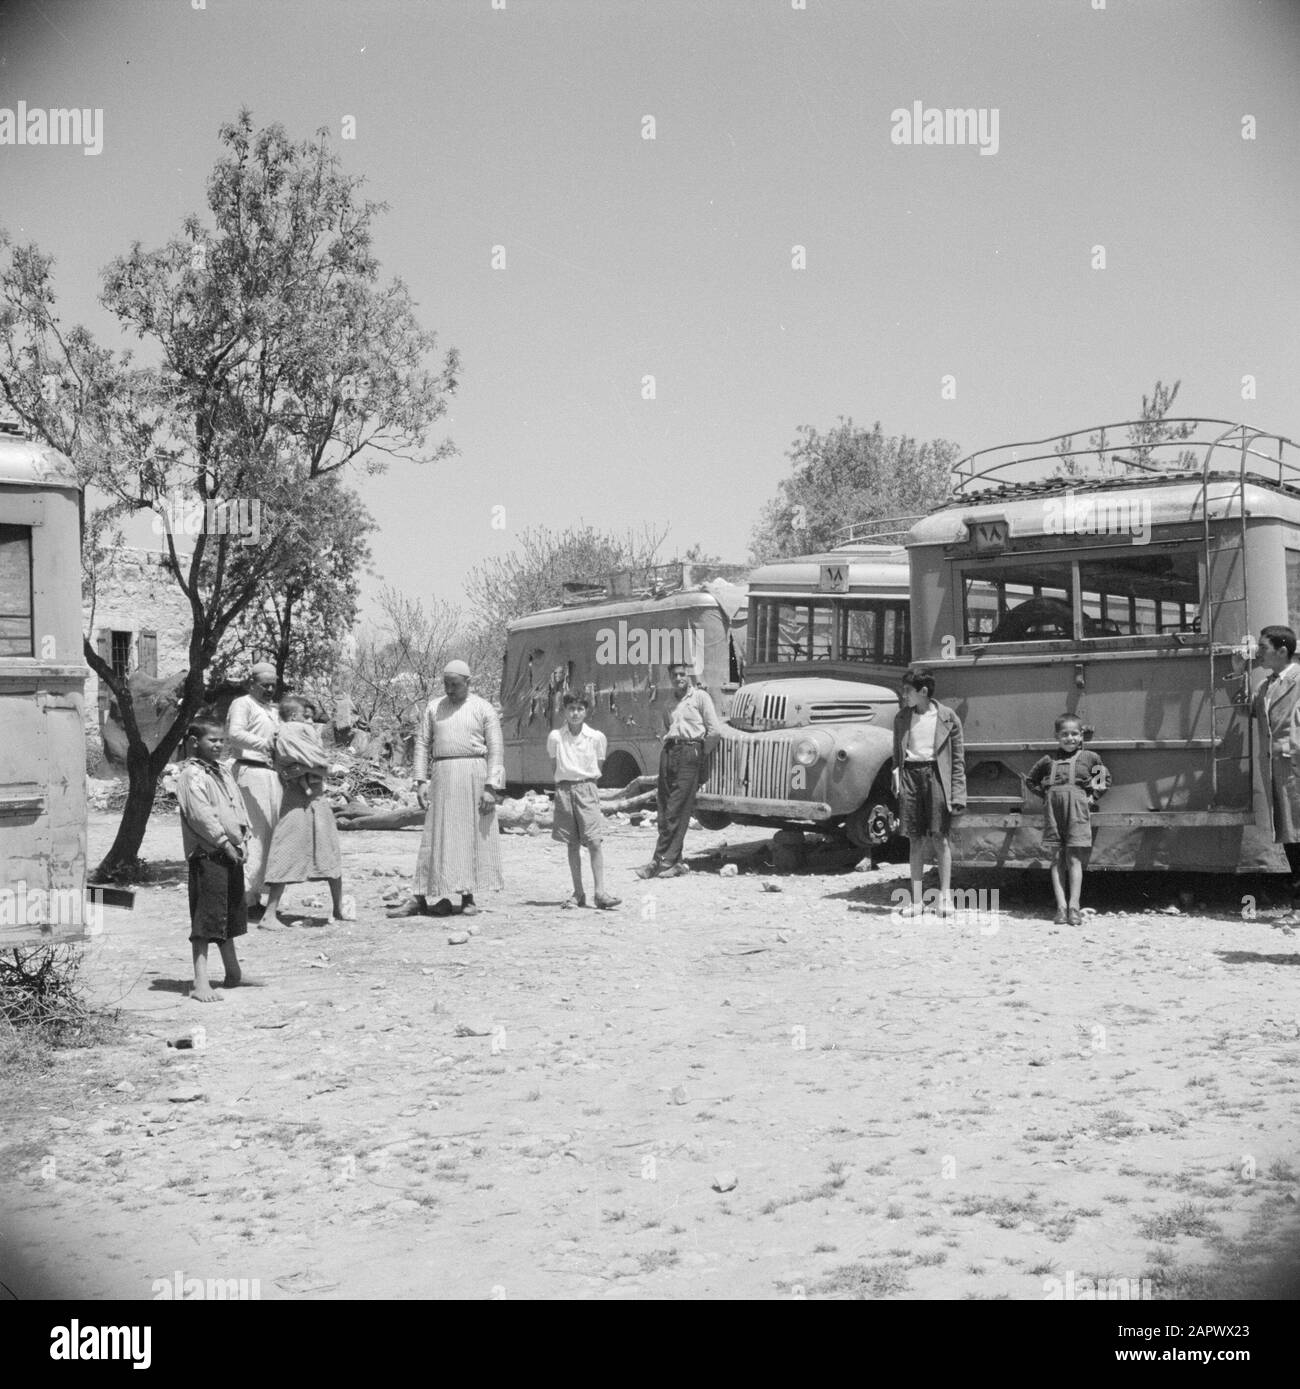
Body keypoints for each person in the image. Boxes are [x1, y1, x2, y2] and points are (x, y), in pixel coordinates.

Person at [387, 660, 505, 918]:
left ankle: (468, 897)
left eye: (455, 685)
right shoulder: (433, 708)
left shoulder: (483, 708)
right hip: (442, 774)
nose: (450, 690)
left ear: (468, 682)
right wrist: (420, 781)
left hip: (474, 774)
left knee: (469, 835)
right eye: (446, 685)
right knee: (435, 835)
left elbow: (496, 749)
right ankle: (420, 897)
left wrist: (490, 787)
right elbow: (421, 744)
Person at [176, 715, 250, 1002]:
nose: (219, 745)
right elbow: (201, 816)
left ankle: (234, 972)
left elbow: (236, 805)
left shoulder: (222, 771)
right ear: (195, 742)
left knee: (228, 913)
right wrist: (224, 843)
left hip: (231, 851)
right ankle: (201, 981)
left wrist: (243, 839)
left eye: (222, 741)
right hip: (208, 854)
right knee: (206, 918)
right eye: (213, 740)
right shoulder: (192, 775)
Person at [262, 695, 350, 926]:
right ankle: (269, 914)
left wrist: (311, 767)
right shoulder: (287, 734)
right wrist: (314, 767)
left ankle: (338, 906)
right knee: (285, 851)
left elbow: (320, 765)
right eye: (306, 716)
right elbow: (291, 767)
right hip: (294, 800)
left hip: (316, 799)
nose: (310, 721)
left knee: (329, 850)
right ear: (293, 716)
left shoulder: (300, 734)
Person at [635, 662, 722, 880]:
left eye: (683, 674)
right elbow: (668, 728)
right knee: (664, 809)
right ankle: (675, 861)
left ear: (688, 676)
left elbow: (714, 731)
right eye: (675, 675)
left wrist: (700, 755)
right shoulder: (668, 703)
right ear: (670, 677)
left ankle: (658, 860)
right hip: (670, 752)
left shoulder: (700, 697)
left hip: (690, 752)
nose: (679, 678)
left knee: (677, 809)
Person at [891, 666, 966, 916]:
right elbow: (896, 756)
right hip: (910, 776)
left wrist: (957, 795)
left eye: (907, 691)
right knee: (915, 839)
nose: (904, 696)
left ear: (923, 691)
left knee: (940, 837)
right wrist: (897, 780)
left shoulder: (948, 718)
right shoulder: (902, 718)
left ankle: (945, 897)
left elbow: (957, 762)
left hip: (936, 777)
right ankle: (916, 900)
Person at [1024, 713, 1110, 925]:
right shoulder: (1047, 761)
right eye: (1065, 734)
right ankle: (1060, 907)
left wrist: (1092, 796)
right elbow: (1030, 781)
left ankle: (1074, 906)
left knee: (1074, 858)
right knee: (1056, 859)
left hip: (1078, 810)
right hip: (1053, 812)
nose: (1070, 738)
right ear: (1056, 736)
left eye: (1074, 734)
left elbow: (1103, 778)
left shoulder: (1091, 758)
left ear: (1081, 736)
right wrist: (1046, 795)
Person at [548, 693, 621, 910]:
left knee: (594, 841)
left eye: (580, 708)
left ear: (586, 711)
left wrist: (584, 783)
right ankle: (578, 892)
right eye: (571, 708)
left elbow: (598, 763)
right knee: (572, 843)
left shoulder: (596, 737)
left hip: (587, 789)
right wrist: (565, 784)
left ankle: (600, 892)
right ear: (564, 711)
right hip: (564, 790)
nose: (575, 713)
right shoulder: (555, 737)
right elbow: (555, 766)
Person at [225, 661, 281, 923]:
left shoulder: (273, 709)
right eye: (264, 685)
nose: (269, 690)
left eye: (273, 685)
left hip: (272, 775)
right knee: (254, 834)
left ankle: (261, 895)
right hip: (250, 773)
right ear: (252, 684)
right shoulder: (243, 704)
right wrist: (265, 744)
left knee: (272, 833)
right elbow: (234, 734)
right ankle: (244, 899)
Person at [1253, 625, 1300, 905]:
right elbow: (1245, 708)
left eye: (1263, 648)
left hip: (1294, 764)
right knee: (1290, 834)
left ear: (1282, 651)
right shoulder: (1266, 684)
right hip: (1277, 768)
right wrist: (1236, 671)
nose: (1258, 653)